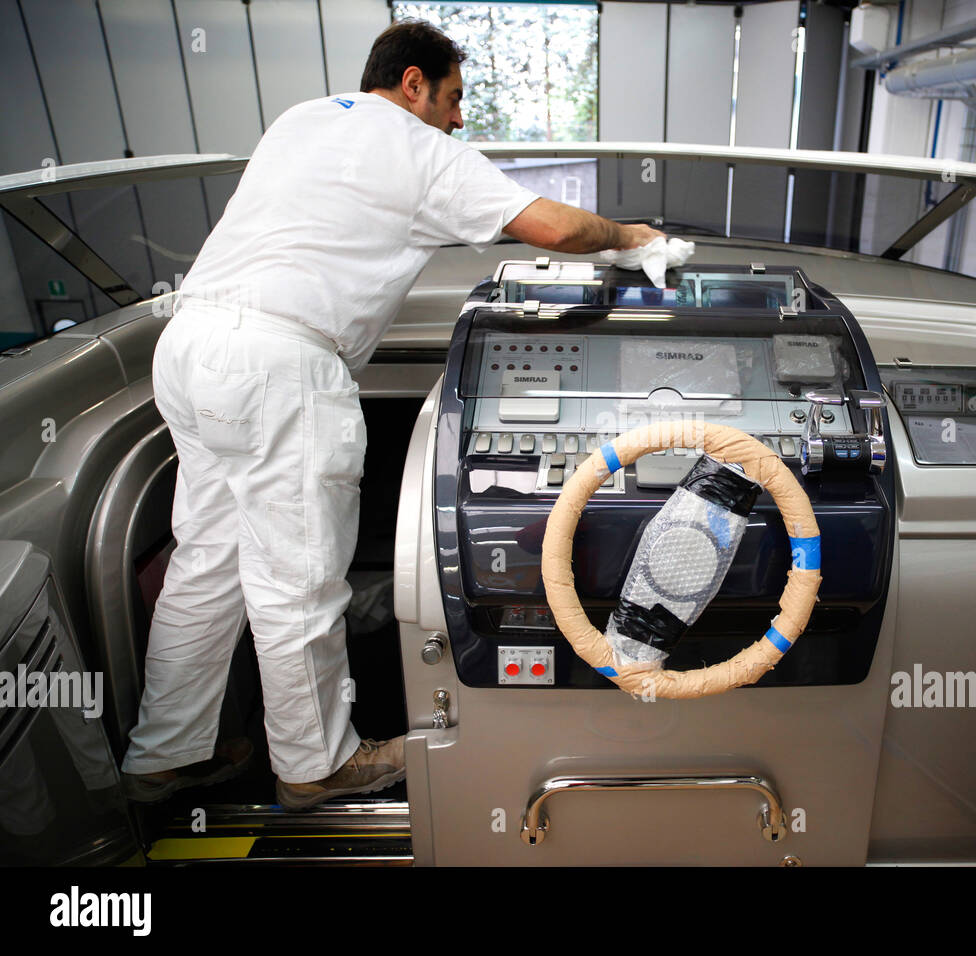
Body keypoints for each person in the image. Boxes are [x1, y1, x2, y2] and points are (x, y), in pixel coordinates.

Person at [120, 20, 665, 810]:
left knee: (205, 563)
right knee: (296, 581)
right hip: (282, 364)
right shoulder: (414, 149)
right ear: (412, 83)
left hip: (190, 344)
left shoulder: (302, 118)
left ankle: (163, 755)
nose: (456, 119)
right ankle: (315, 764)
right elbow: (552, 227)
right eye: (450, 99)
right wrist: (630, 237)